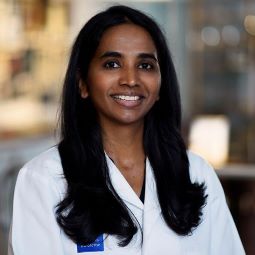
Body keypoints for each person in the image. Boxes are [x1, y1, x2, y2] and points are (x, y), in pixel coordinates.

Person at [8, 5, 245, 255]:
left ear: (161, 85)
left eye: (145, 65)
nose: (131, 79)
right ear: (83, 83)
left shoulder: (196, 173)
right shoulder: (43, 179)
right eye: (112, 64)